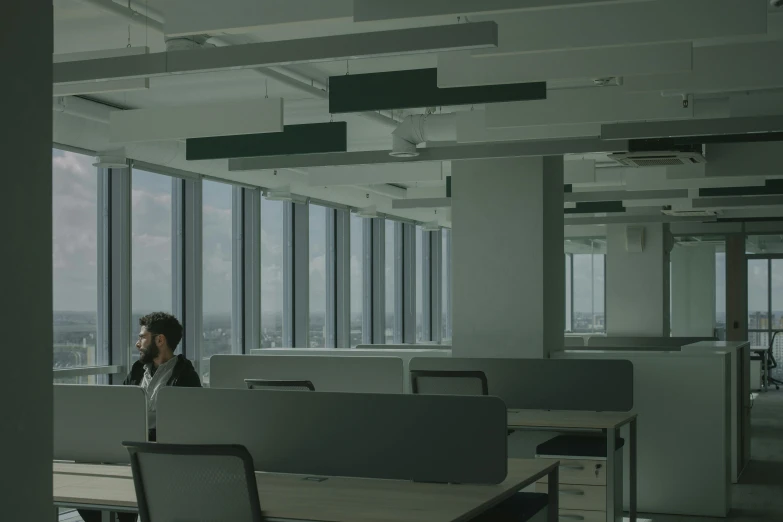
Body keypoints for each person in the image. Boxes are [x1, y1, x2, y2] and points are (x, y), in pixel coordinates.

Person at [78, 312, 201, 522]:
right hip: (128, 442)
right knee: (83, 461)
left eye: (142, 337)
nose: (137, 343)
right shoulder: (137, 371)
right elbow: (119, 408)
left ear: (159, 340)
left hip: (159, 450)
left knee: (127, 472)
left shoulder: (185, 376)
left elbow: (187, 427)